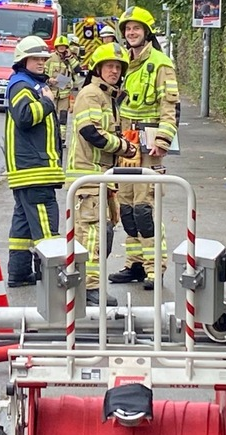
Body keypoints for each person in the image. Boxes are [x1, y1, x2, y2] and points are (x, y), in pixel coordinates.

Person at [109, 6, 180, 291]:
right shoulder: (123, 62)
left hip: (149, 145)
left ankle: (154, 269)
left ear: (147, 32)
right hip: (126, 144)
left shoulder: (160, 64)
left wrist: (163, 140)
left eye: (136, 28)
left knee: (145, 210)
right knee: (126, 208)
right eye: (128, 29)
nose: (131, 33)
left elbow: (169, 106)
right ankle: (135, 264)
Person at [67, 42, 139, 306]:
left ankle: (87, 287)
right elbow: (91, 132)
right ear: (97, 68)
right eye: (109, 66)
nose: (114, 71)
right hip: (88, 177)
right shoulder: (91, 94)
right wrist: (124, 147)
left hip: (102, 179)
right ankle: (88, 289)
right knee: (91, 237)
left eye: (118, 67)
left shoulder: (108, 96)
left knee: (102, 236)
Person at [4, 35, 65, 287]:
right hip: (35, 171)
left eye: (43, 58)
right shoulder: (22, 85)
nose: (41, 62)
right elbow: (25, 117)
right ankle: (53, 281)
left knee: (23, 226)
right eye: (35, 58)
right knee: (46, 227)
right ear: (23, 60)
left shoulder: (28, 83)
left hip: (28, 171)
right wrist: (48, 102)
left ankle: (19, 274)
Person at [45, 35, 77, 142]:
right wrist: (49, 79)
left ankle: (62, 139)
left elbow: (78, 70)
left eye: (64, 46)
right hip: (52, 93)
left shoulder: (70, 59)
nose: (62, 48)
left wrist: (70, 58)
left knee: (63, 117)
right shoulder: (50, 58)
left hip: (64, 94)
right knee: (50, 116)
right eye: (60, 46)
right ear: (56, 47)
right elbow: (42, 73)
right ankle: (50, 137)